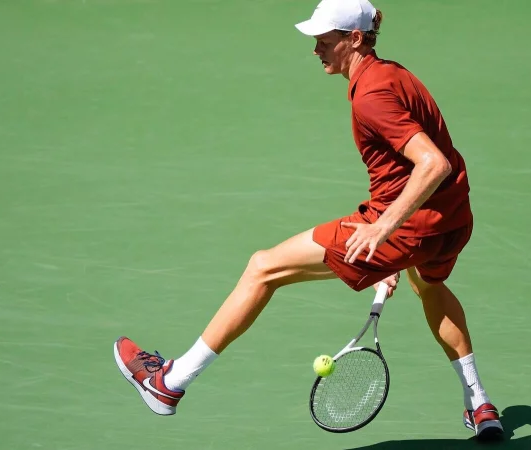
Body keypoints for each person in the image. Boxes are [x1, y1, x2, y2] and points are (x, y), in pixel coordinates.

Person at [113, 0, 502, 441]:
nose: (316, 48)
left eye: (325, 40)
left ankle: (170, 383)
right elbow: (414, 169)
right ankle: (479, 403)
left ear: (354, 39)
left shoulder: (371, 96)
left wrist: (384, 231)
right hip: (449, 223)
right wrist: (398, 248)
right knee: (429, 287)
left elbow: (432, 164)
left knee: (263, 267)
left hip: (405, 224)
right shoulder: (394, 74)